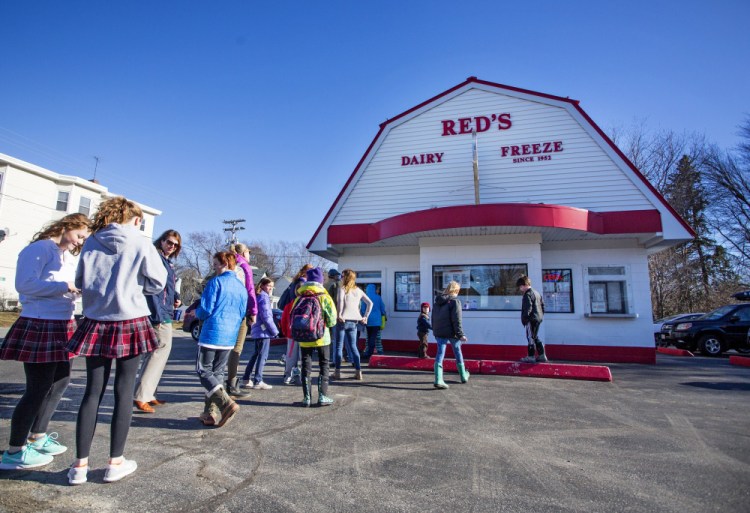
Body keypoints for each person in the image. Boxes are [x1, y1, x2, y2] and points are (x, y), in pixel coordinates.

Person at [65, 197, 167, 485]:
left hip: (96, 320)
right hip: (130, 317)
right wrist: (134, 286)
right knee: (123, 392)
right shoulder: (140, 240)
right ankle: (115, 462)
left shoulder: (92, 241)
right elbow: (158, 282)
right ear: (134, 218)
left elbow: (82, 281)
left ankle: (79, 466)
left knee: (92, 392)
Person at [0, 214, 92, 471]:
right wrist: (66, 286)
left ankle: (38, 436)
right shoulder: (39, 248)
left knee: (60, 384)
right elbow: (24, 284)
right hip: (40, 322)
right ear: (66, 227)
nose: (79, 242)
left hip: (63, 322)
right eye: (79, 236)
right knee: (37, 389)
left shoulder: (62, 254)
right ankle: (14, 451)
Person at [195, 252, 248, 427]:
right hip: (229, 337)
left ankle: (226, 403)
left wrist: (194, 313)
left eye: (216, 264)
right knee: (216, 374)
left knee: (203, 371)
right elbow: (242, 314)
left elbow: (205, 309)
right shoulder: (241, 287)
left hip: (212, 333)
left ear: (225, 264)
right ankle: (210, 413)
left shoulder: (216, 282)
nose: (214, 267)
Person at [133, 229, 182, 413]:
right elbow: (153, 290)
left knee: (160, 353)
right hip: (158, 314)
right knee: (157, 352)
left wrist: (176, 296)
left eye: (176, 245)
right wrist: (158, 314)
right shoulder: (155, 259)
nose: (172, 246)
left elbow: (167, 287)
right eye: (169, 242)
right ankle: (140, 395)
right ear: (161, 241)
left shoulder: (167, 263)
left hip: (166, 311)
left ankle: (148, 393)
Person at [292, 267, 337, 407]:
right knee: (324, 365)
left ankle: (307, 398)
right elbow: (332, 319)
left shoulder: (299, 297)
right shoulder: (324, 296)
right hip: (321, 337)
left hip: (303, 338)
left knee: (306, 367)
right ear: (320, 281)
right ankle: (322, 396)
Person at [225, 243, 257, 397]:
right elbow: (250, 290)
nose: (250, 255)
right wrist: (253, 311)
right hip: (240, 311)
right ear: (243, 253)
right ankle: (232, 383)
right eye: (248, 252)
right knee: (237, 347)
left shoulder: (227, 263)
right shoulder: (244, 266)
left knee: (225, 347)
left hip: (226, 311)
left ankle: (222, 382)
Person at [275, 264, 312, 386]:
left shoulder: (294, 286)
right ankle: (298, 375)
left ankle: (290, 374)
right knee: (300, 354)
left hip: (292, 329)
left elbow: (284, 319)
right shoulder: (304, 299)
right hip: (301, 330)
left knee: (292, 353)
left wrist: (286, 331)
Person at [334, 269, 372, 381]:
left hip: (342, 320)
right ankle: (358, 372)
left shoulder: (342, 289)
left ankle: (337, 372)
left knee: (339, 347)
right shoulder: (358, 290)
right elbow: (370, 303)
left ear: (346, 277)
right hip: (355, 321)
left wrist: (339, 314)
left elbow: (340, 302)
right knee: (353, 347)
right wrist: (365, 317)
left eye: (342, 276)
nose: (341, 277)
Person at [432, 280, 469, 389]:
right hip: (452, 333)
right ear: (456, 290)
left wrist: (435, 330)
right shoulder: (454, 301)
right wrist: (460, 334)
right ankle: (463, 376)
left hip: (439, 332)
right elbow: (457, 320)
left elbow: (434, 318)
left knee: (440, 354)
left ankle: (438, 379)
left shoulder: (437, 302)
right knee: (457, 352)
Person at [243, 278, 278, 390]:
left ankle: (246, 378)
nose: (271, 288)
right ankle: (258, 380)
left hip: (257, 330)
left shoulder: (258, 296)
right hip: (263, 332)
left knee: (255, 355)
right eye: (269, 286)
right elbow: (266, 316)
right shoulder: (264, 297)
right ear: (262, 285)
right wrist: (274, 331)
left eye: (272, 286)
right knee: (262, 356)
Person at [517, 275, 547, 363]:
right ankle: (542, 355)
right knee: (535, 336)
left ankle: (531, 356)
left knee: (530, 337)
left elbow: (528, 308)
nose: (520, 288)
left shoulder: (527, 294)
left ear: (524, 285)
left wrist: (526, 318)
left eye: (520, 286)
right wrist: (540, 316)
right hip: (538, 318)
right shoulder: (537, 293)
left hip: (531, 319)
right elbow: (543, 306)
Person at [362, 284, 386, 359]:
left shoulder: (365, 297)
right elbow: (382, 308)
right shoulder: (378, 297)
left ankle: (368, 351)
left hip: (368, 321)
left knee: (369, 337)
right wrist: (383, 314)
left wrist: (364, 317)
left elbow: (362, 309)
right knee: (375, 336)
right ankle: (374, 352)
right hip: (377, 321)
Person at [325, 269, 342, 368]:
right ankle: (351, 359)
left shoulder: (328, 285)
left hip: (332, 314)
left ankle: (335, 360)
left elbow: (330, 300)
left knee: (335, 340)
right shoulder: (341, 285)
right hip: (342, 316)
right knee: (346, 341)